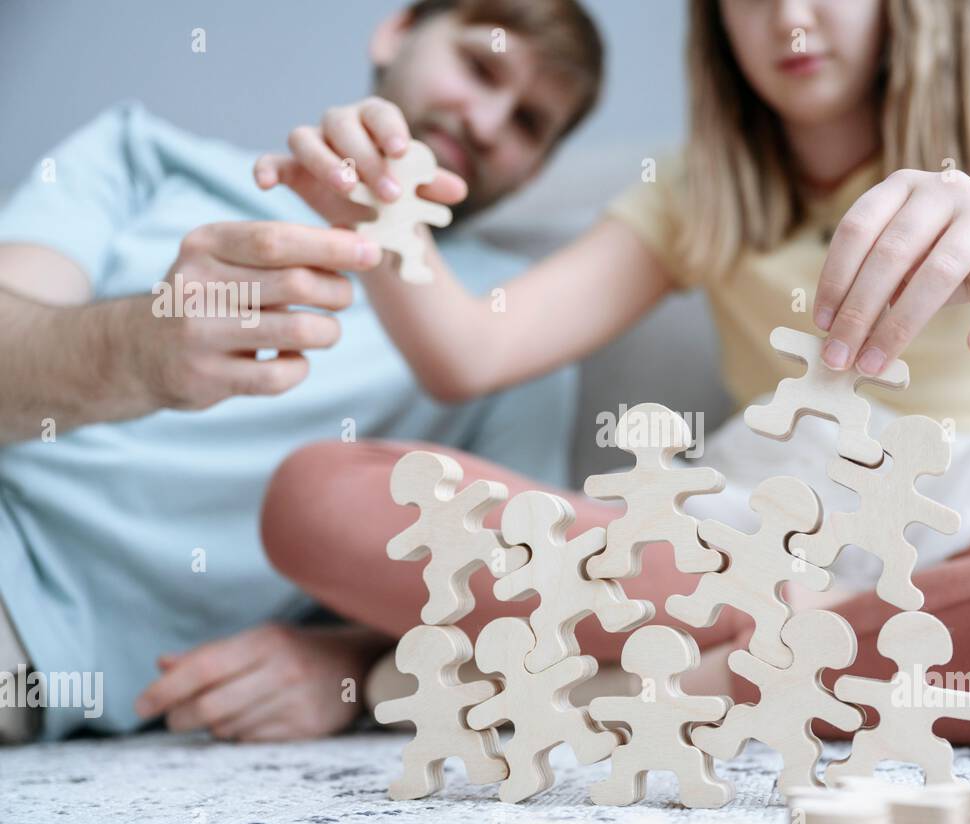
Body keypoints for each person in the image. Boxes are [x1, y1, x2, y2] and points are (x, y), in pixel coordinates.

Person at [263, 0, 970, 747]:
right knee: (318, 492)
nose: (790, 20)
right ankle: (805, 655)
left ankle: (689, 681)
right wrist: (382, 221)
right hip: (750, 545)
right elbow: (470, 350)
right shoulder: (693, 189)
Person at [0, 0, 605, 743]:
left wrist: (350, 663)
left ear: (540, 168)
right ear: (397, 32)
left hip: (36, 638)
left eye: (529, 124)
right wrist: (133, 349)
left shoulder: (514, 327)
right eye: (480, 67)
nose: (486, 122)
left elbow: (512, 596)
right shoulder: (138, 156)